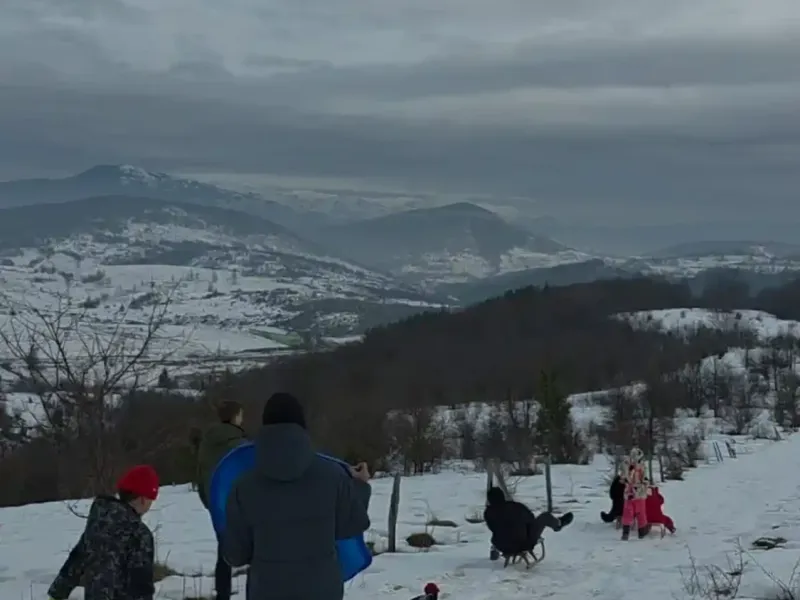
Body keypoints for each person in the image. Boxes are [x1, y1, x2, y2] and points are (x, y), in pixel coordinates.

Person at [223, 392, 372, 600]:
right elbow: (351, 525)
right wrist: (360, 486)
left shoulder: (243, 486)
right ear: (302, 426)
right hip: (322, 591)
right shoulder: (333, 476)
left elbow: (235, 555)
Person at [48, 465, 159, 600]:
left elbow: (77, 559)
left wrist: (57, 592)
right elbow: (141, 586)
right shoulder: (140, 534)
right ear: (143, 499)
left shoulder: (98, 523)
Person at [196, 400, 248, 600]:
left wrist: (209, 502)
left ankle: (223, 594)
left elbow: (201, 476)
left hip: (217, 503)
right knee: (257, 550)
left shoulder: (207, 444)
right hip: (239, 504)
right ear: (235, 417)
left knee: (223, 551)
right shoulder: (239, 443)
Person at [484, 486, 573, 567]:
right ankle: (558, 524)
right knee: (544, 517)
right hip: (524, 543)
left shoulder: (488, 513)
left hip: (502, 546)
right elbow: (530, 518)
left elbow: (492, 528)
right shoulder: (514, 506)